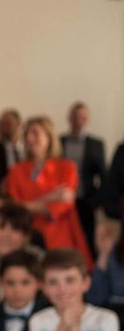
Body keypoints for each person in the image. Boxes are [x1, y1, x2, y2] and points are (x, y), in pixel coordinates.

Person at [6, 116, 93, 269]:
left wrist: (27, 205)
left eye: (35, 133)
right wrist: (50, 197)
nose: (29, 138)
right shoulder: (16, 171)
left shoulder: (67, 167)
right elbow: (14, 208)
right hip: (27, 236)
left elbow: (63, 205)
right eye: (26, 134)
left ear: (49, 137)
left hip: (61, 237)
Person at [60, 102, 106, 256]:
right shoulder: (60, 141)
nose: (79, 120)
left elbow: (103, 174)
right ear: (69, 118)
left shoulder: (96, 144)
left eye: (83, 117)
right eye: (76, 116)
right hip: (63, 200)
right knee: (65, 236)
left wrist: (97, 200)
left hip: (86, 199)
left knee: (87, 237)